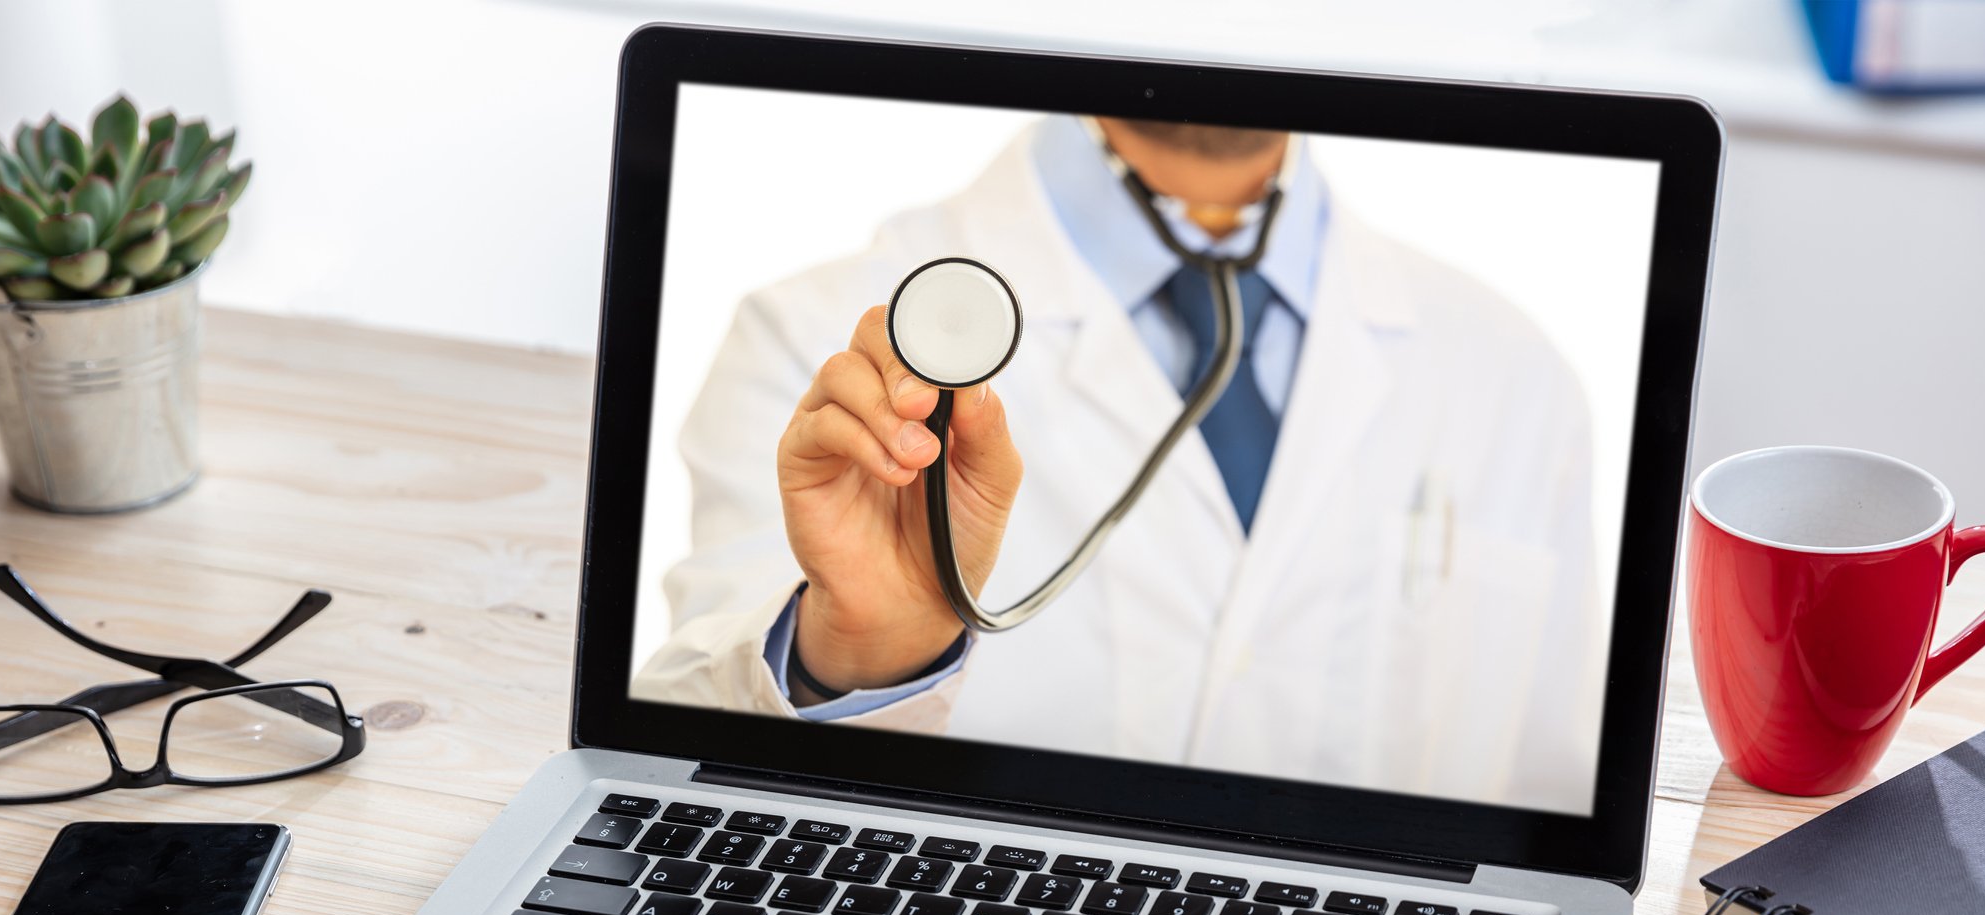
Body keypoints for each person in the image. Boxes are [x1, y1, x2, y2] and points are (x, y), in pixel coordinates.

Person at [634, 114, 1603, 814]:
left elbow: (1546, 822)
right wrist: (861, 653)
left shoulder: (1516, 377)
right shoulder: (820, 349)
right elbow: (682, 785)